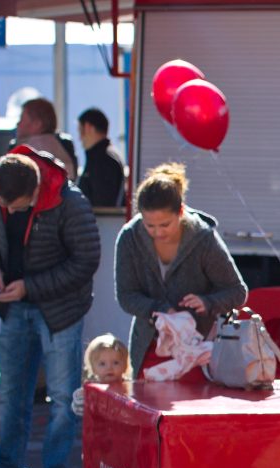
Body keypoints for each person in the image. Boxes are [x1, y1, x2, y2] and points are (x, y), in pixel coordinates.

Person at [0, 147, 102, 468]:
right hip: (13, 303)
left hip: (60, 310)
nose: (8, 210)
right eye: (2, 203)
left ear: (35, 190)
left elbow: (86, 260)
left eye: (15, 206)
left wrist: (30, 287)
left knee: (62, 398)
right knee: (11, 393)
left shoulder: (70, 201)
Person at [114, 163, 247, 379]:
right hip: (149, 345)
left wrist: (207, 302)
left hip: (199, 349)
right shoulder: (129, 237)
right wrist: (160, 310)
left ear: (181, 212)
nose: (158, 233)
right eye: (149, 225)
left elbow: (237, 292)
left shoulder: (204, 238)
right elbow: (126, 296)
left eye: (165, 225)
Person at [15, 97, 78, 180]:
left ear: (37, 124)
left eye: (22, 118)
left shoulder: (31, 151)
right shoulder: (61, 148)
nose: (18, 123)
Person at [76, 107, 126, 208]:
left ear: (88, 127)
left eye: (80, 131)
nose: (79, 138)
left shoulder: (103, 160)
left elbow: (102, 204)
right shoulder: (107, 156)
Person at [71, 334, 129, 418]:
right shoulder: (90, 390)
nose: (109, 368)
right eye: (102, 364)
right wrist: (84, 401)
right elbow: (77, 408)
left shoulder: (129, 387)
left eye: (116, 363)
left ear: (125, 365)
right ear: (93, 368)